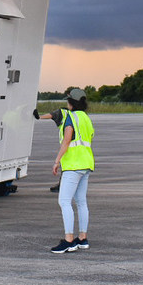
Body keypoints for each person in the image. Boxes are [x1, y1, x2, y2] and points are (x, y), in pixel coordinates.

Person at [49, 87, 96, 253]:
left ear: (71, 103)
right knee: (81, 202)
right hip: (86, 164)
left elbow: (67, 141)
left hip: (73, 165)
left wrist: (57, 161)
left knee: (64, 201)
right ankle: (82, 238)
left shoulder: (71, 117)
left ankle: (69, 240)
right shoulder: (86, 118)